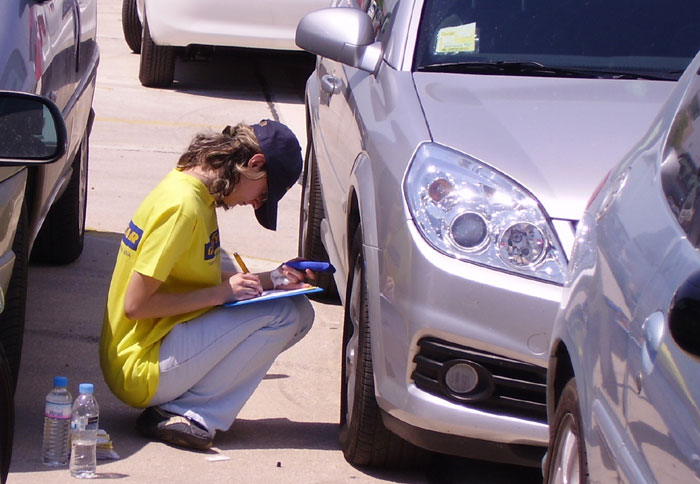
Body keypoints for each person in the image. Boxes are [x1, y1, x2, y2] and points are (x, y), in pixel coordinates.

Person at [99, 119, 316, 450]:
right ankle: (190, 413)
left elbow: (195, 275)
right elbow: (135, 305)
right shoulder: (183, 208)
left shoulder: (197, 192)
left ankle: (186, 403)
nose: (257, 203)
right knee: (283, 315)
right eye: (264, 195)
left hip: (159, 344)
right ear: (255, 164)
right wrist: (221, 294)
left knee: (299, 310)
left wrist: (273, 279)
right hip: (140, 364)